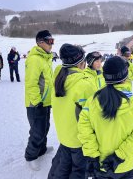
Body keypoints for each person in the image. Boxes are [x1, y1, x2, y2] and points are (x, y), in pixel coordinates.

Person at [78, 56, 133, 179]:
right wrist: (118, 156)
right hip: (125, 165)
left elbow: (84, 129)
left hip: (101, 164)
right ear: (125, 76)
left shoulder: (92, 101)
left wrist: (93, 155)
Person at [48, 44, 95, 179]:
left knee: (62, 168)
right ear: (81, 62)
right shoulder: (85, 84)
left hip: (64, 135)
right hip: (78, 140)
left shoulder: (58, 74)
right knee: (79, 171)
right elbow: (94, 115)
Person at [25, 30, 54, 171]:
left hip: (46, 102)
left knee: (45, 128)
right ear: (40, 42)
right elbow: (31, 83)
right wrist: (37, 102)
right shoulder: (35, 59)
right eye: (49, 41)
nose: (51, 44)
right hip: (36, 103)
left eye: (52, 41)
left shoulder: (45, 58)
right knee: (37, 131)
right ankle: (31, 156)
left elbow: (48, 82)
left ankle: (41, 149)